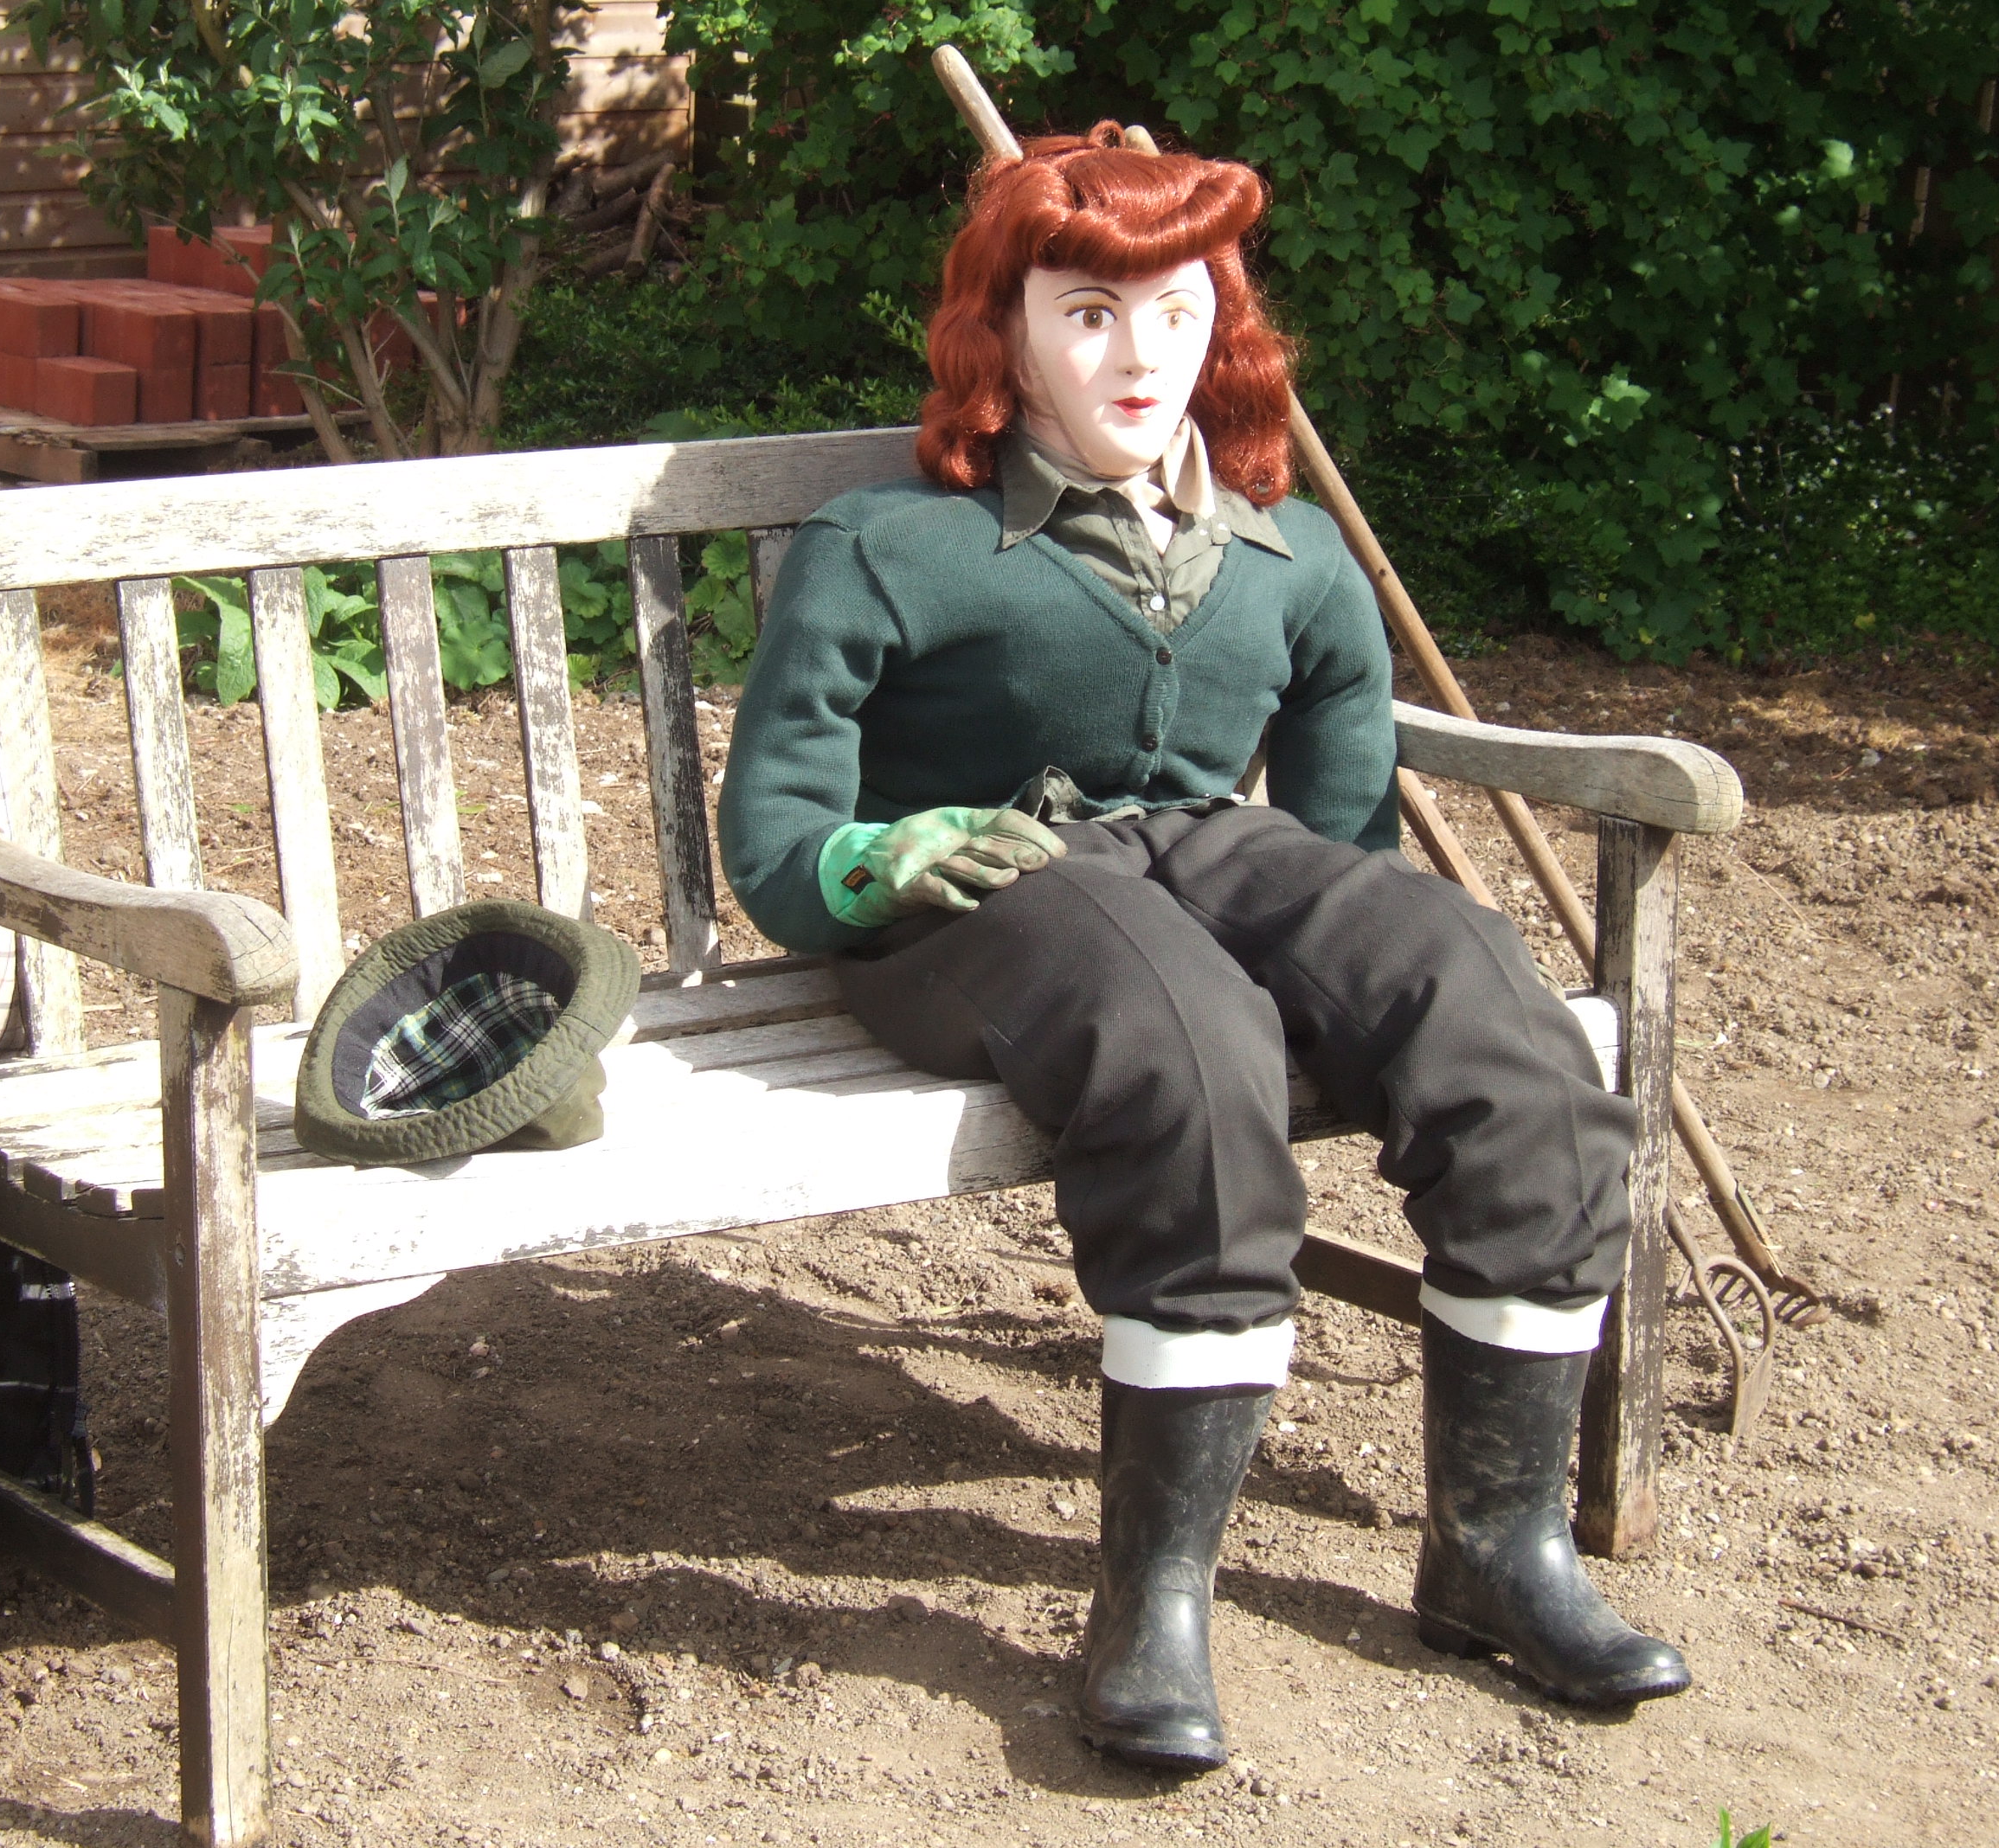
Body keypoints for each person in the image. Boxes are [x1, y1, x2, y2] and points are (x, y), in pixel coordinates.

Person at [716, 125, 1689, 1770]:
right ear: (1005, 333)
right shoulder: (889, 545)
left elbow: (1345, 839)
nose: (1138, 354)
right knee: (1185, 1042)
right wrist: (882, 856)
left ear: (1220, 327)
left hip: (1202, 859)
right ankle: (1153, 1597)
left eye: (1176, 312)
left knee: (1487, 1008)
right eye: (1089, 312)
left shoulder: (1286, 558)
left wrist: (1372, 980)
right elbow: (777, 837)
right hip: (975, 903)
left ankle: (1497, 1546)